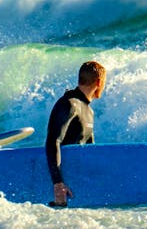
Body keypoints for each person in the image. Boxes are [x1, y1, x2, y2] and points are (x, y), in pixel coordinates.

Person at [45, 61, 106, 207]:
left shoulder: (89, 112)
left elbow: (90, 150)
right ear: (99, 82)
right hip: (62, 186)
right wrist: (58, 183)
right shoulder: (69, 103)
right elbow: (53, 141)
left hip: (76, 187)